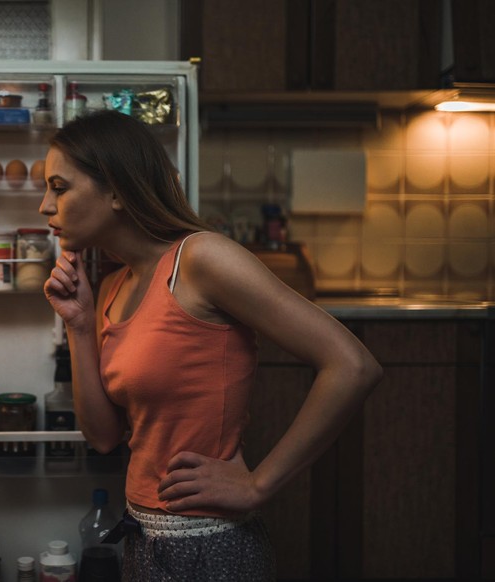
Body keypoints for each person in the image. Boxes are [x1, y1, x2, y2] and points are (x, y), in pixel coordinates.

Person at [39, 110, 383, 582]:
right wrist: (78, 325)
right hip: (142, 538)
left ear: (116, 190)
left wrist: (259, 484)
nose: (44, 205)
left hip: (213, 546)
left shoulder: (201, 259)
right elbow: (103, 436)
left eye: (59, 187)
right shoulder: (112, 286)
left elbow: (353, 365)